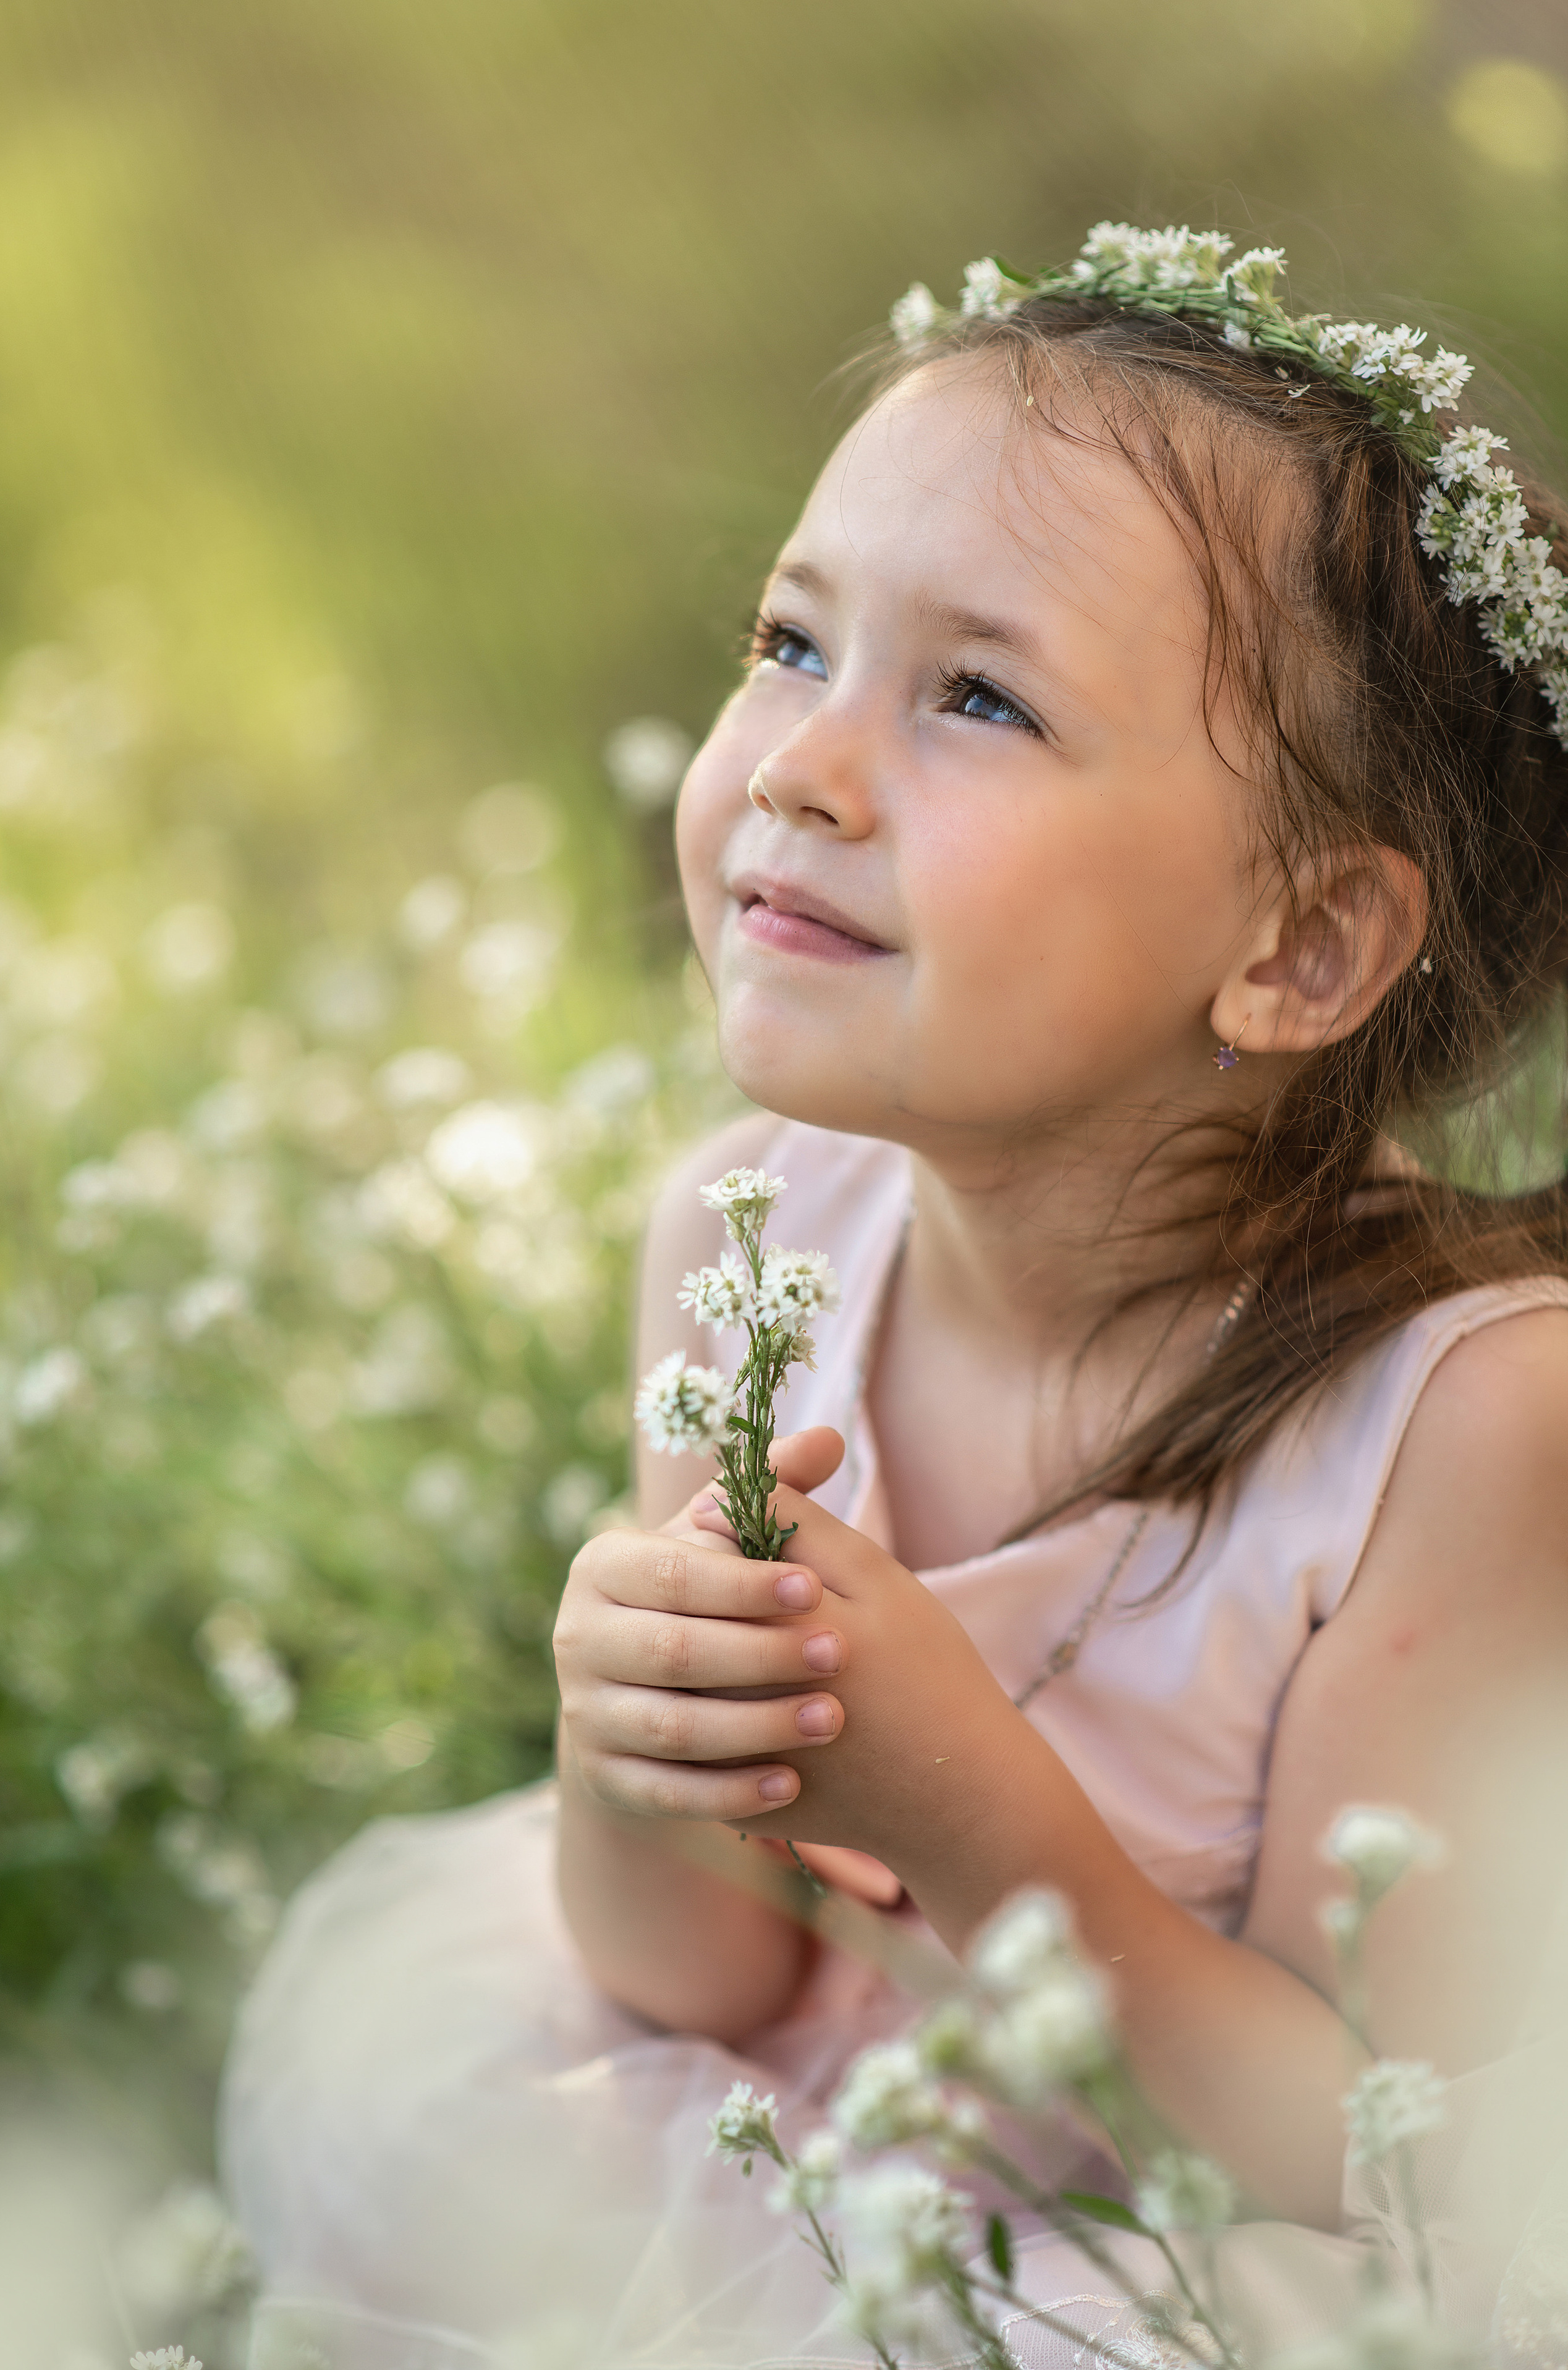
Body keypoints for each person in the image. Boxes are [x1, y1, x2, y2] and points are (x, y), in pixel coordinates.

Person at [222, 226, 1568, 2369]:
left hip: (1182, 2254)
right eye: (788, 638)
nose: (800, 763)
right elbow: (705, 1991)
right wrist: (635, 1761)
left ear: (1304, 947)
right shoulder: (757, 1234)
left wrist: (970, 1813)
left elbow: (1386, 2154)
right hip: (809, 2124)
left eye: (977, 696)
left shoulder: (1466, 1422)